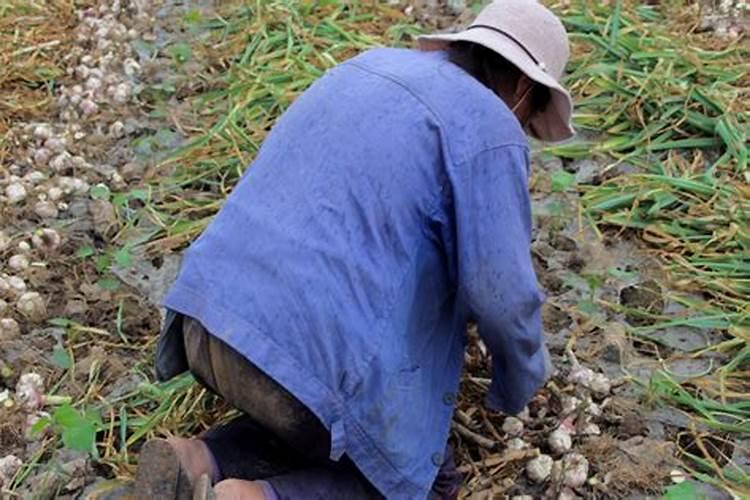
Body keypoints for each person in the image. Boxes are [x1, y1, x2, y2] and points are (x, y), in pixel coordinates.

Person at [135, 0, 574, 498]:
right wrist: (518, 386)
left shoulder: (367, 64)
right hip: (301, 357)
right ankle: (253, 497)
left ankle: (196, 458)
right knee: (421, 481)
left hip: (207, 322)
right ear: (523, 89)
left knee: (325, 422)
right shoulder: (491, 124)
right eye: (530, 117)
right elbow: (503, 296)